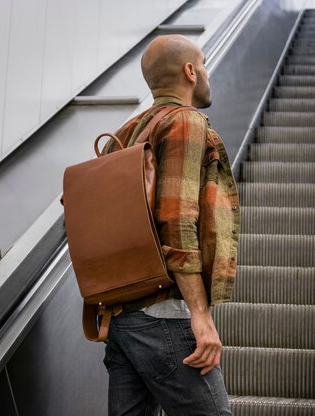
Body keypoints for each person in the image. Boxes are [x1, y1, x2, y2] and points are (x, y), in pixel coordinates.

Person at [101, 34, 240, 416]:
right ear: (190, 72)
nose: (207, 72)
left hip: (121, 317)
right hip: (164, 314)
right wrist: (199, 313)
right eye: (204, 63)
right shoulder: (184, 122)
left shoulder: (127, 133)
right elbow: (176, 221)